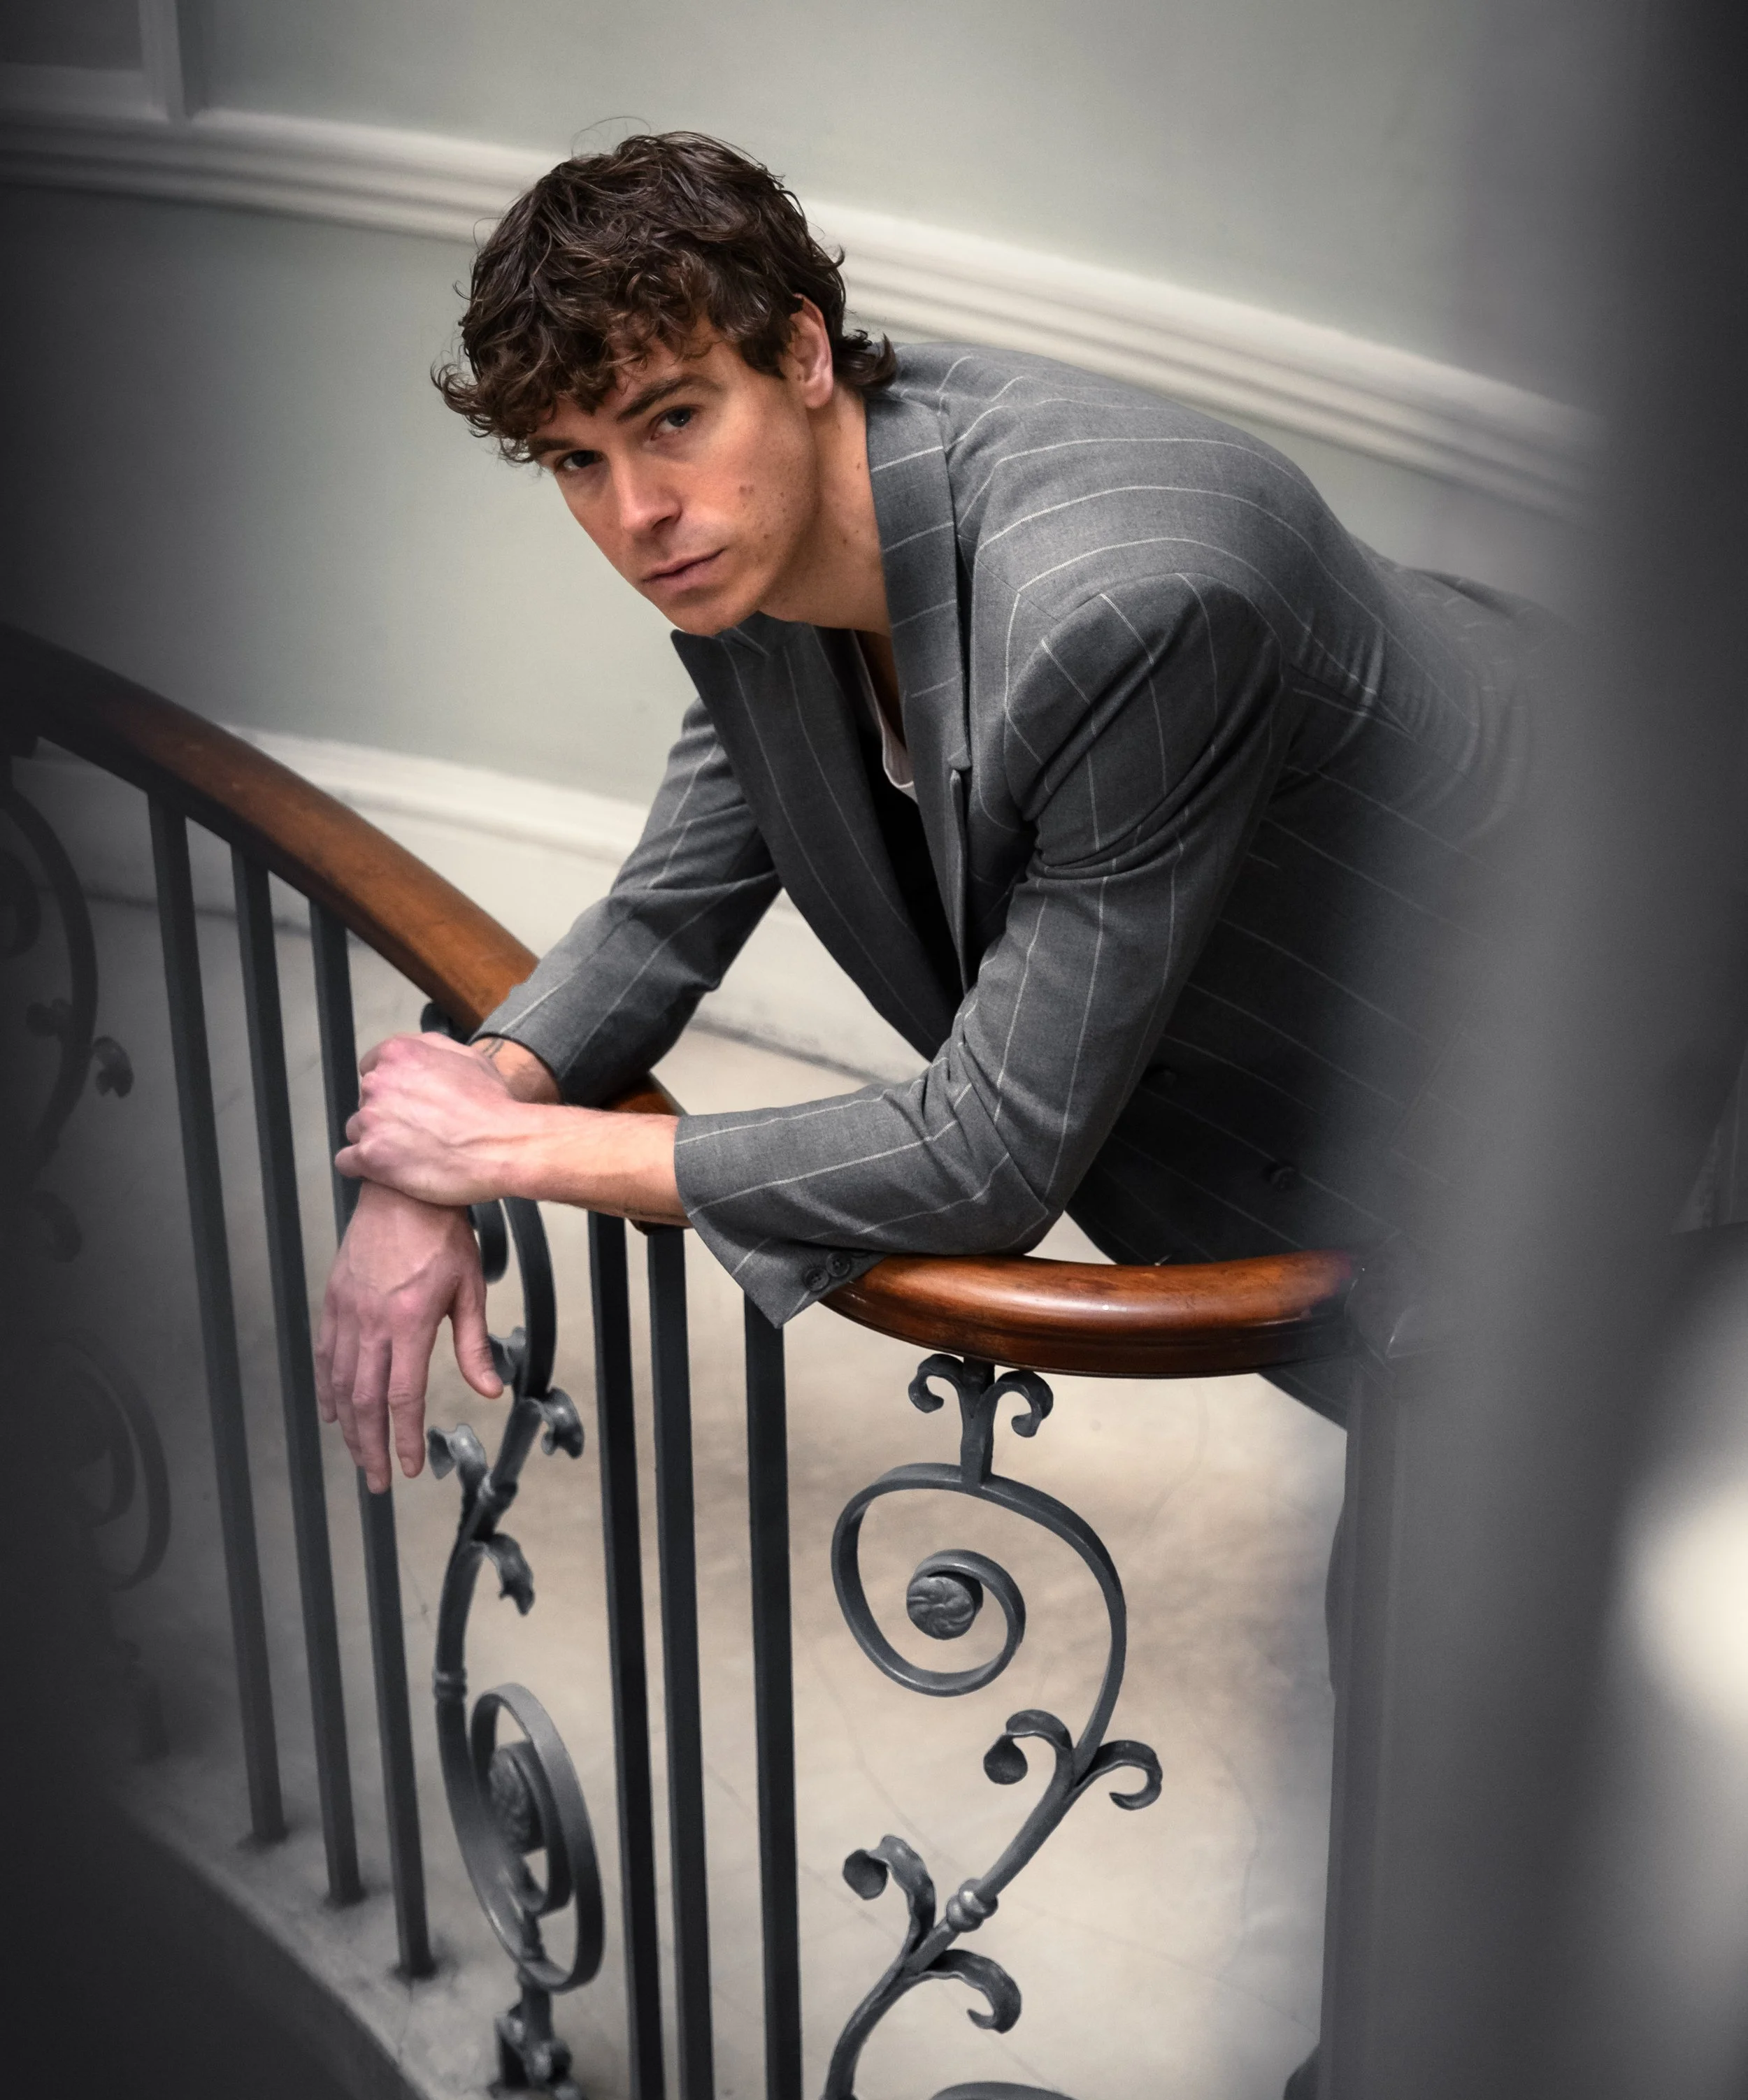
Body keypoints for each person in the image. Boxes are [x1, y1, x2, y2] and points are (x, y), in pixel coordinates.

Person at [317, 128, 1543, 1527]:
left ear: (802, 355)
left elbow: (989, 1152)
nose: (640, 515)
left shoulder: (1122, 609)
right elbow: (664, 913)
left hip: (1627, 1054)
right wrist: (452, 1122)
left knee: (1470, 1675)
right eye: (576, 462)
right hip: (1381, 1064)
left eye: (671, 418)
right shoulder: (768, 543)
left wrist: (504, 1156)